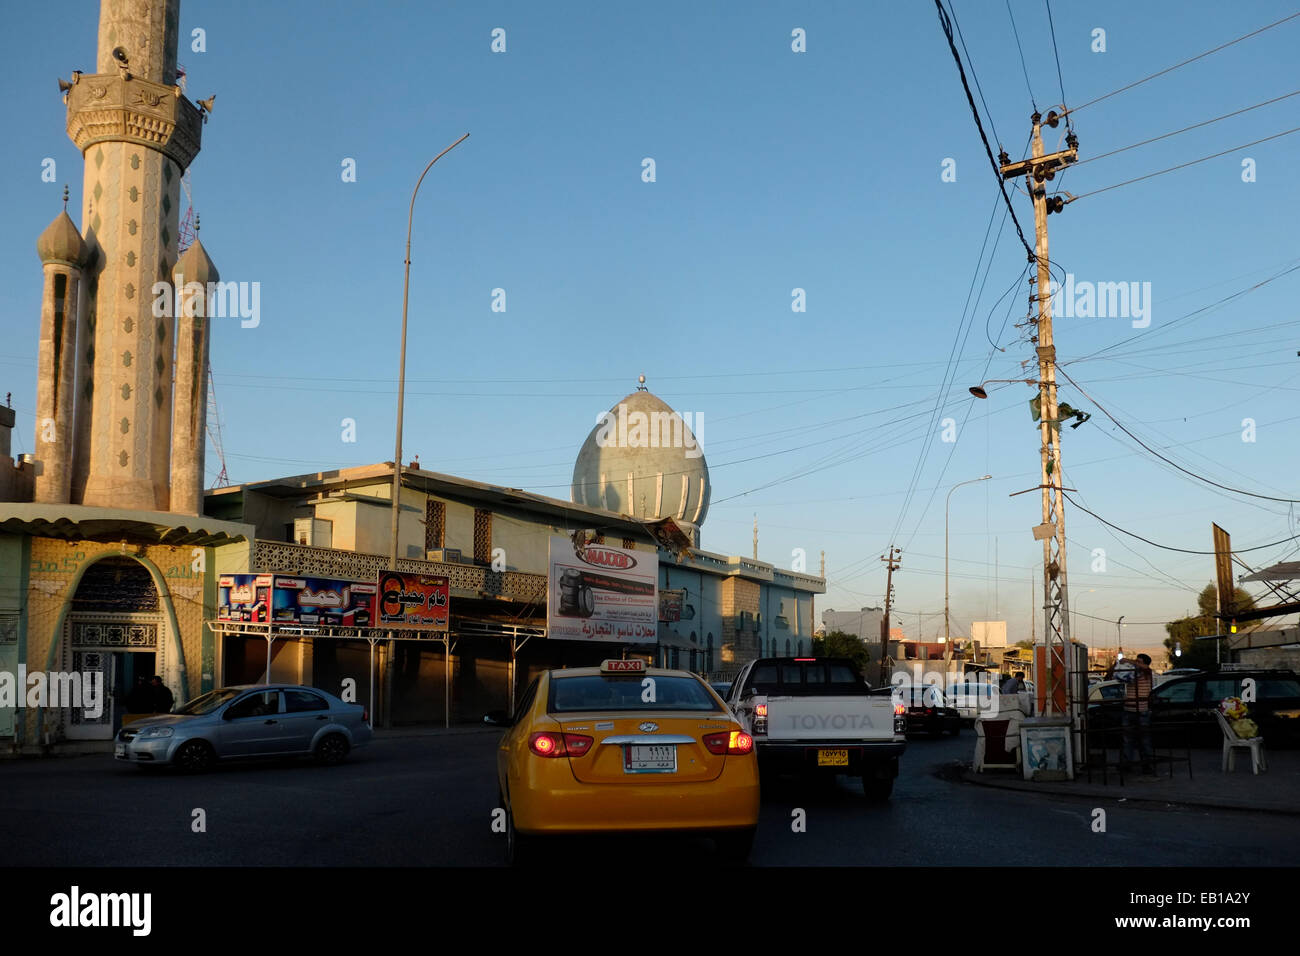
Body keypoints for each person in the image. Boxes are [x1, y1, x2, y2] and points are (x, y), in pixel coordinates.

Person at [1119, 654, 1155, 774]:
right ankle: (1129, 764)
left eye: (1139, 661)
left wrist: (1128, 661)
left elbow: (1143, 667)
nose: (1136, 663)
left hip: (1141, 710)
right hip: (1130, 710)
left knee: (1143, 739)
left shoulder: (1146, 672)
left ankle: (1146, 765)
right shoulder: (1134, 674)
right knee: (1128, 739)